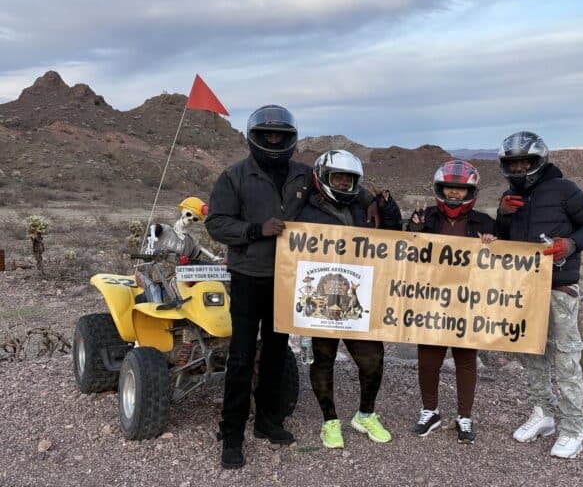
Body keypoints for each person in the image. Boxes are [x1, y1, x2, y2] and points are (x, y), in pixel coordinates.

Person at [206, 107, 381, 469]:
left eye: (280, 136)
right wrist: (256, 229)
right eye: (267, 135)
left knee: (274, 352)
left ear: (290, 138)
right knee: (240, 357)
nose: (273, 141)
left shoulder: (304, 174)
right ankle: (232, 433)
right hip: (248, 276)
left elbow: (344, 190)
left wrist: (377, 202)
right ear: (254, 137)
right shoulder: (234, 176)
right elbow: (217, 223)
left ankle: (268, 422)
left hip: (291, 279)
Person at [494, 131, 583, 459]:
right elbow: (503, 240)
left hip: (559, 285)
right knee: (531, 352)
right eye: (512, 163)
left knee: (566, 356)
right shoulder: (510, 195)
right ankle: (543, 413)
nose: (518, 168)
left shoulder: (564, 189)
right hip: (524, 286)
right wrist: (503, 214)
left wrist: (569, 245)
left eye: (523, 161)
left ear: (539, 160)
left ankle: (573, 425)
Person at [297, 149, 392, 449]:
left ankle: (365, 414)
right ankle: (330, 421)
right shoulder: (303, 208)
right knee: (323, 359)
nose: (342, 183)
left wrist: (388, 209)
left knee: (372, 359)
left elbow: (391, 239)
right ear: (323, 177)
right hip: (322, 298)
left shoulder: (365, 205)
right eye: (337, 177)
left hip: (357, 297)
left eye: (348, 179)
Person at [407, 160, 495, 444]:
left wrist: (493, 244)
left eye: (460, 189)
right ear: (440, 188)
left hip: (468, 300)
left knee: (466, 360)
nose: (454, 194)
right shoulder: (427, 217)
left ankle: (464, 415)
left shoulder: (484, 223)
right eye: (450, 188)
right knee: (428, 359)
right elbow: (404, 250)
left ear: (470, 191)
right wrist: (413, 228)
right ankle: (429, 410)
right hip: (431, 298)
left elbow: (503, 262)